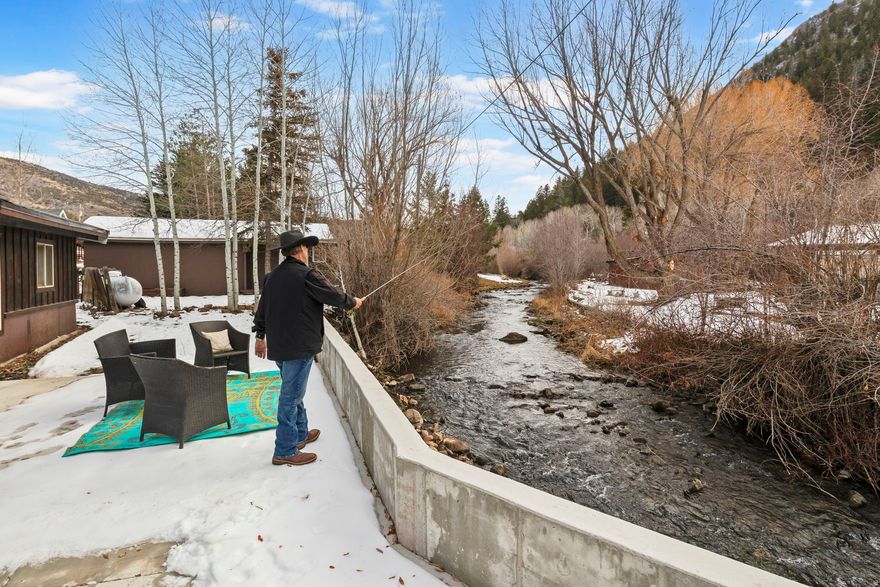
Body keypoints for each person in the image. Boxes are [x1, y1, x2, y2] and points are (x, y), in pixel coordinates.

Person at [253, 229, 362, 466]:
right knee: (290, 398)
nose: (308, 253)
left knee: (293, 392)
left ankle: (300, 434)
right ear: (301, 250)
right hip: (299, 348)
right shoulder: (307, 275)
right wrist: (354, 302)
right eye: (307, 249)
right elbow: (333, 296)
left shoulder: (271, 277)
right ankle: (285, 450)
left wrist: (260, 335)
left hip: (280, 348)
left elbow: (262, 310)